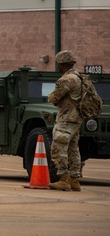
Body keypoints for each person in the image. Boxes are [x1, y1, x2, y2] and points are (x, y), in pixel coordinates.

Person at [46, 50, 83, 192]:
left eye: (58, 64)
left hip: (67, 118)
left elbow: (53, 98)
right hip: (76, 119)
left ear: (62, 64)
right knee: (73, 148)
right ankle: (74, 180)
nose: (58, 67)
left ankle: (64, 179)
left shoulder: (67, 79)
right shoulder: (79, 77)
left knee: (57, 146)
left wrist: (52, 96)